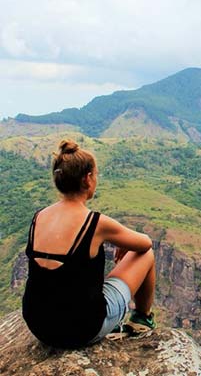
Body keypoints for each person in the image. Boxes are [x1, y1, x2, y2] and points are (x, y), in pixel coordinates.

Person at [22, 139, 157, 348]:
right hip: (81, 330)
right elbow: (145, 244)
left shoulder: (39, 216)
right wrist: (126, 242)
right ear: (88, 179)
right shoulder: (95, 222)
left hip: (39, 326)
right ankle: (142, 319)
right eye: (96, 175)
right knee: (146, 255)